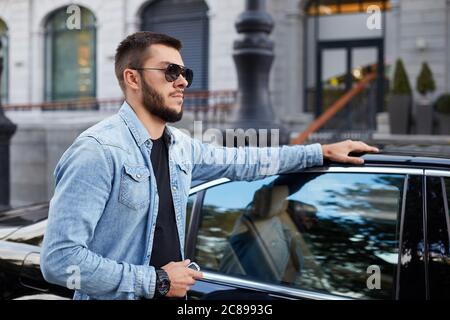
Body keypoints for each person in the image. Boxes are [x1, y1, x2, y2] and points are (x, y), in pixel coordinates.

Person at [40, 31, 379, 300]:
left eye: (184, 72)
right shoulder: (98, 151)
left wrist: (319, 152)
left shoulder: (180, 147)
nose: (183, 81)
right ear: (133, 78)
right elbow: (60, 260)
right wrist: (155, 281)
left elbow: (246, 161)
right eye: (170, 71)